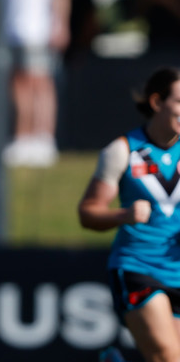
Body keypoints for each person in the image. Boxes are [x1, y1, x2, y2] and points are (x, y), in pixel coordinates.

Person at [78, 67, 180, 362]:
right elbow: (88, 213)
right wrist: (124, 215)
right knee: (167, 356)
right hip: (139, 267)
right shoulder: (122, 150)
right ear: (157, 102)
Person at [1, 0, 76, 167]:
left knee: (40, 82)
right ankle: (23, 137)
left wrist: (60, 24)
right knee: (18, 83)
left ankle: (43, 138)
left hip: (40, 29)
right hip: (11, 30)